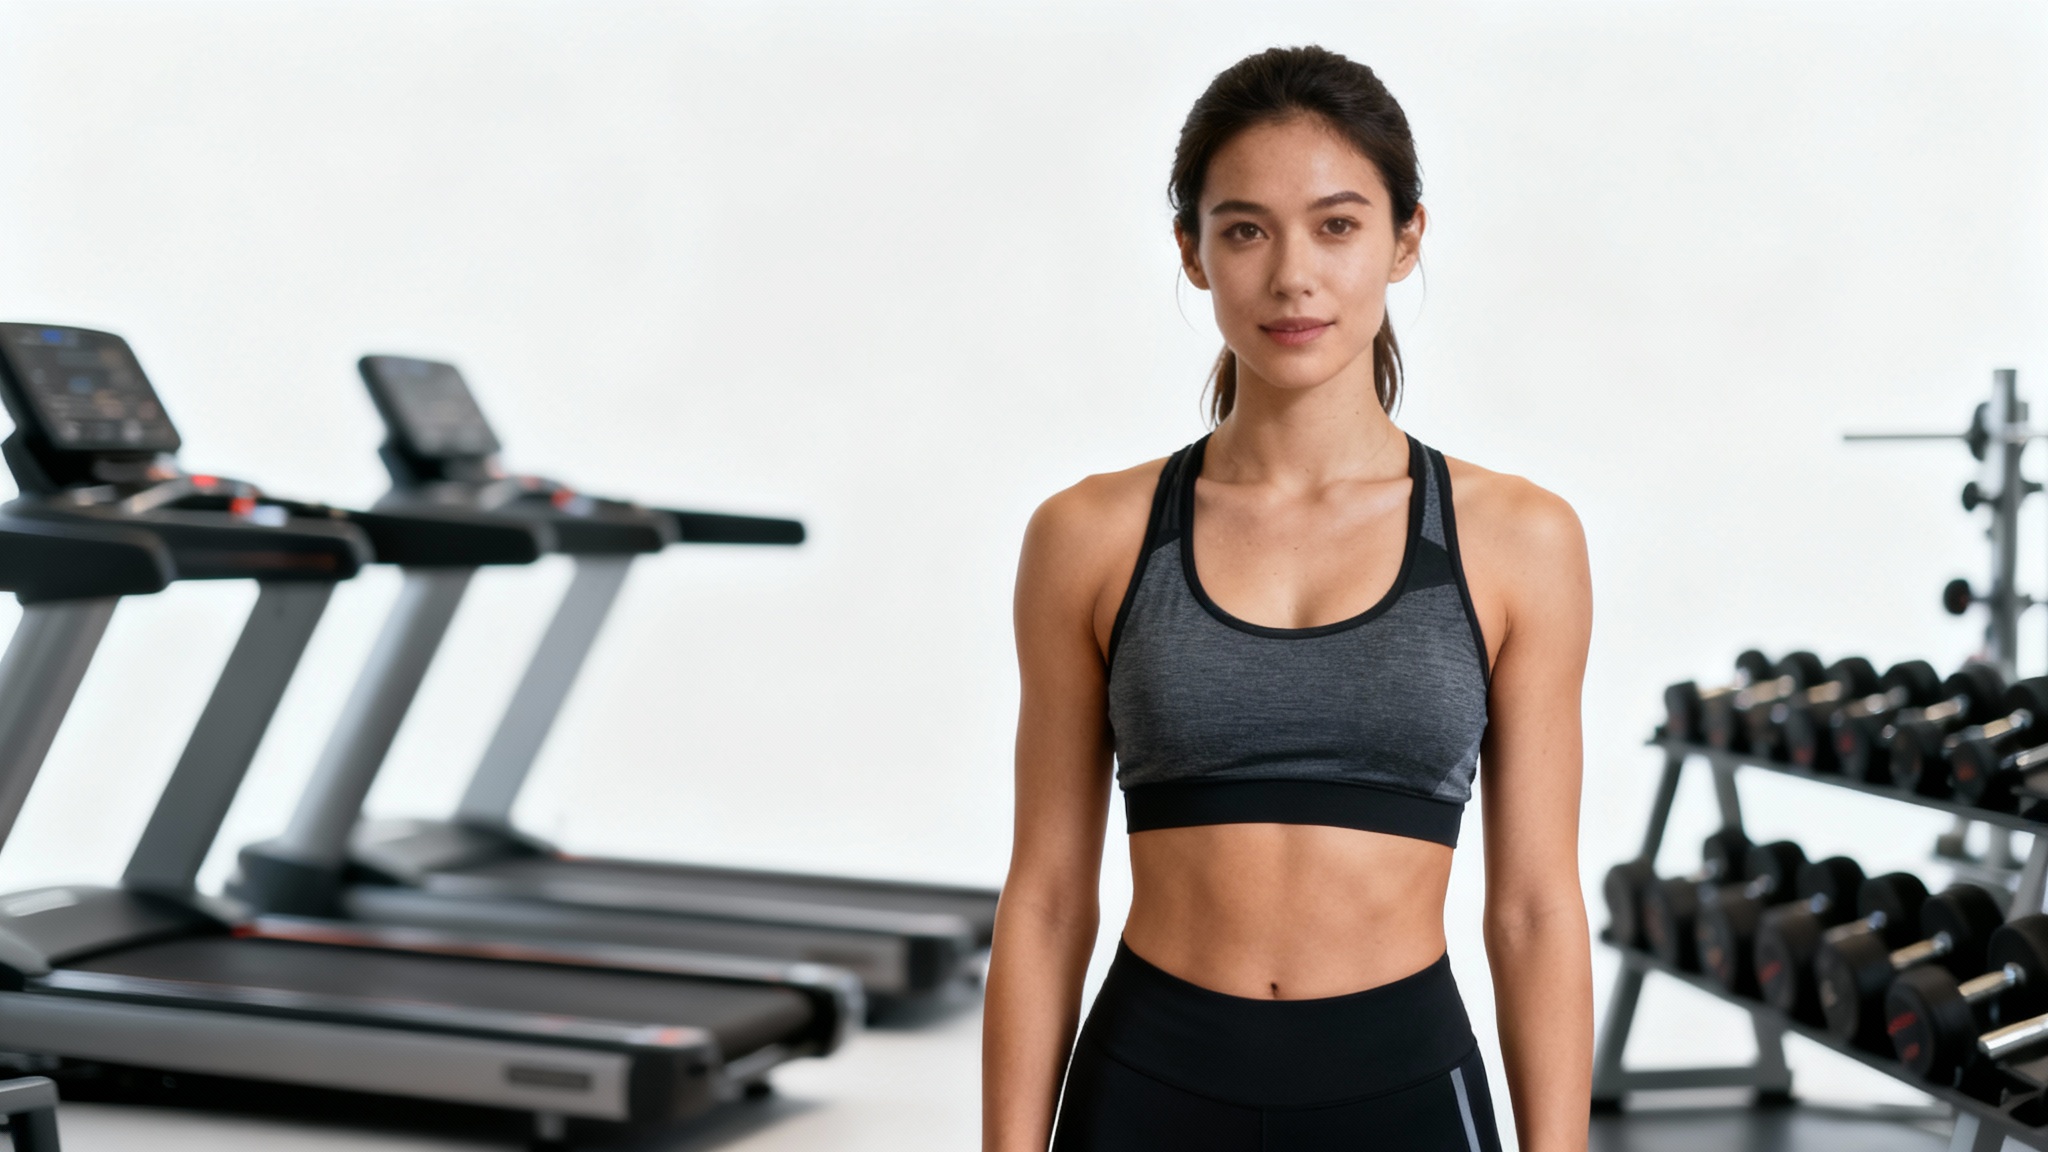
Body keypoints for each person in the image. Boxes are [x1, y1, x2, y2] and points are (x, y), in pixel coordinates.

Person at [981, 45, 1594, 1152]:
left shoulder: (1517, 541)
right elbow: (1045, 899)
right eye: (1245, 229)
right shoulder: (1088, 537)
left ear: (1405, 238)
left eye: (1337, 225)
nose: (1291, 277)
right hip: (1146, 1087)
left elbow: (1536, 908)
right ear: (1192, 251)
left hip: (1402, 1090)